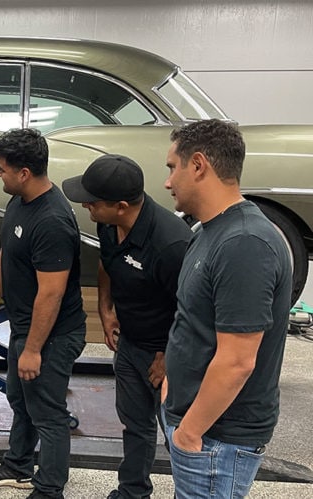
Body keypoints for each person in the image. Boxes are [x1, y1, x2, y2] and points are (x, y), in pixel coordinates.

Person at [162, 119, 292, 498]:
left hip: (216, 439)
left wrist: (190, 432)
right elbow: (193, 321)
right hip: (197, 427)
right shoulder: (207, 231)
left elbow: (238, 361)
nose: (168, 182)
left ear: (198, 165)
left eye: (172, 167)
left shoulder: (245, 243)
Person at [62, 154, 192, 499]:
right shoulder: (107, 224)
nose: (86, 207)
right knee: (135, 425)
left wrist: (166, 356)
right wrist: (106, 309)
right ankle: (132, 491)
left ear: (121, 206)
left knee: (181, 434)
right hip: (130, 344)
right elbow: (108, 262)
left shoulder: (171, 244)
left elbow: (191, 309)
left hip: (167, 353)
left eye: (92, 202)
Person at [0, 128, 86, 499]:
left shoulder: (52, 220)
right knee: (21, 400)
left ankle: (50, 489)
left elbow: (51, 294)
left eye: (3, 169)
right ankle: (18, 466)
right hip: (25, 327)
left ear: (24, 172)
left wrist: (34, 349)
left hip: (53, 333)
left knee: (48, 413)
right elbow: (7, 251)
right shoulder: (19, 201)